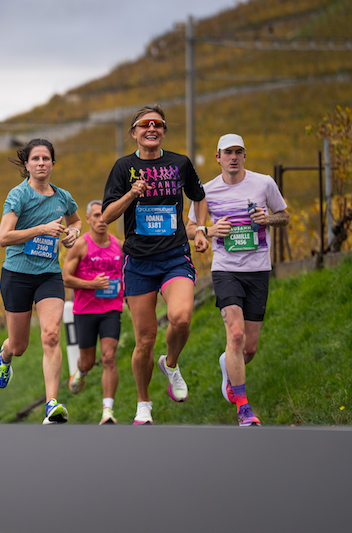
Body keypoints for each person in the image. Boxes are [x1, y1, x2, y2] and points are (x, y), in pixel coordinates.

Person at [102, 105, 208, 425]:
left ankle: (171, 364)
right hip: (138, 262)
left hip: (175, 256)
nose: (152, 129)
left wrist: (200, 228)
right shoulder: (123, 168)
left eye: (158, 124)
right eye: (144, 124)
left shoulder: (180, 163)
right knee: (144, 340)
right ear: (134, 132)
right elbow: (106, 217)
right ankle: (143, 402)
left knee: (181, 318)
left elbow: (198, 197)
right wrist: (132, 194)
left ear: (163, 131)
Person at [186, 134, 289, 426]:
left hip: (257, 269)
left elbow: (284, 216)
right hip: (226, 268)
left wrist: (267, 220)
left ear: (245, 156)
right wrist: (209, 229)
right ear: (217, 157)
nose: (233, 157)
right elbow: (191, 227)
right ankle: (243, 408)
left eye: (238, 152)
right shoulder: (206, 191)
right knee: (235, 334)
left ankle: (227, 365)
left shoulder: (264, 183)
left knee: (249, 348)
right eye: (227, 152)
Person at [0, 139, 81, 425]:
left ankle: (51, 403)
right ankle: (5, 355)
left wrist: (73, 234)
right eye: (36, 159)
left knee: (51, 334)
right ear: (27, 164)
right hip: (17, 274)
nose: (41, 163)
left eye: (46, 158)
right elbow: (4, 237)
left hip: (48, 275)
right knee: (19, 345)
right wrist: (41, 229)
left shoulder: (63, 197)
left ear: (53, 163)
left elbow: (76, 221)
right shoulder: (18, 196)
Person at [62, 200, 124, 424]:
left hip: (111, 309)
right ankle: (80, 371)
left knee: (109, 356)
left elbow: (126, 274)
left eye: (104, 215)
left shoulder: (118, 245)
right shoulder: (81, 245)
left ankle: (108, 411)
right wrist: (92, 284)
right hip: (85, 310)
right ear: (88, 219)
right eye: (96, 215)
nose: (101, 220)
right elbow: (66, 278)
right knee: (87, 362)